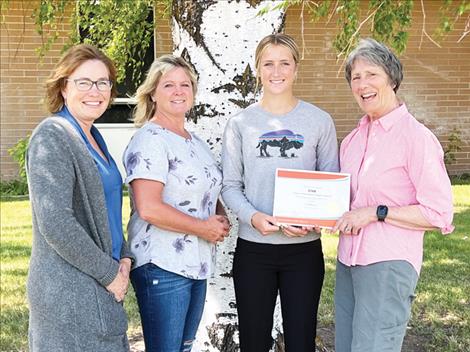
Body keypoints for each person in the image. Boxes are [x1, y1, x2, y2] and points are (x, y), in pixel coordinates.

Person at [332, 38, 454, 352]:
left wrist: (377, 212)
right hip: (348, 261)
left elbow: (438, 213)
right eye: (355, 78)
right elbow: (344, 204)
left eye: (371, 74)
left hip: (388, 263)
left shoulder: (416, 138)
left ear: (392, 78)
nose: (362, 84)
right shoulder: (353, 141)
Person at [222, 33, 339, 352]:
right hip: (254, 250)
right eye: (268, 63)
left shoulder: (319, 121)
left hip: (303, 252)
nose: (277, 71)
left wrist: (315, 221)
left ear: (296, 68)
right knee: (253, 341)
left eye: (285, 63)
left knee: (302, 341)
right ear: (257, 69)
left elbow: (330, 184)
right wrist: (254, 217)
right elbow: (230, 187)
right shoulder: (240, 124)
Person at [26, 44, 133, 351]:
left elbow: (108, 210)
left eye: (103, 82)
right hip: (68, 296)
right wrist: (110, 273)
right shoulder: (53, 136)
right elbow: (56, 222)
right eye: (83, 82)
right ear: (63, 87)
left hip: (99, 288)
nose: (95, 91)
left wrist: (124, 255)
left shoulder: (93, 136)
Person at [123, 55, 230, 352]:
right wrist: (203, 228)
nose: (178, 91)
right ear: (152, 93)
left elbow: (207, 188)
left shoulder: (194, 141)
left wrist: (219, 216)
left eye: (185, 84)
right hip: (162, 263)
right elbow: (149, 208)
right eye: (168, 85)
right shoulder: (150, 140)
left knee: (183, 347)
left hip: (196, 262)